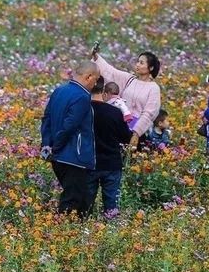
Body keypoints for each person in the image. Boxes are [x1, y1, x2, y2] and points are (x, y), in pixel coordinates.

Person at [40, 61, 100, 218]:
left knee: (76, 195)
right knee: (74, 199)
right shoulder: (82, 96)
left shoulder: (59, 90)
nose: (95, 84)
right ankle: (63, 233)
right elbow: (69, 126)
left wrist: (47, 145)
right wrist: (57, 147)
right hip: (74, 155)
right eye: (96, 79)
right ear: (89, 77)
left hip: (58, 156)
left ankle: (72, 233)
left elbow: (46, 119)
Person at [92, 51, 162, 150]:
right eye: (138, 62)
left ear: (151, 68)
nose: (137, 65)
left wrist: (136, 133)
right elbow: (111, 72)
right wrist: (96, 56)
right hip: (120, 126)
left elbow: (149, 113)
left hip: (137, 131)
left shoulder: (154, 88)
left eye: (141, 63)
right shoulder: (130, 79)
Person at [88, 78, 132, 218]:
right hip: (112, 162)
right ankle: (111, 229)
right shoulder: (114, 112)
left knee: (87, 201)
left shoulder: (84, 110)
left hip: (90, 162)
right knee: (111, 202)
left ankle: (84, 227)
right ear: (103, 91)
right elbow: (126, 137)